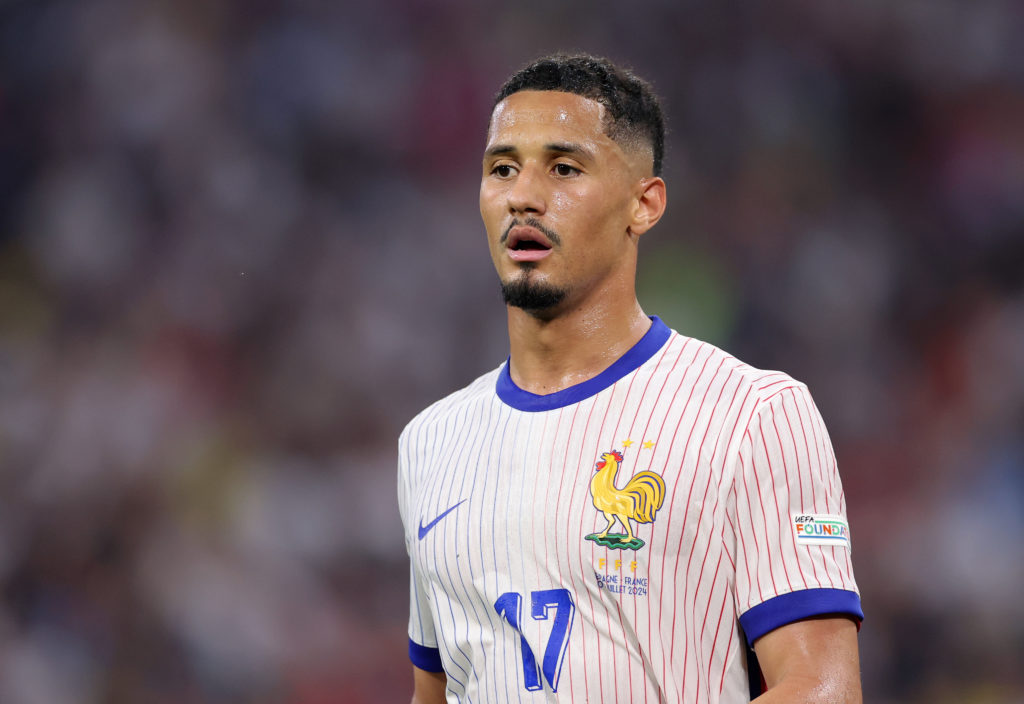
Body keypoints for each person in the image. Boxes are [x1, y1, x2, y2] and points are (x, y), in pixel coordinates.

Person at [397, 54, 863, 704]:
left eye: (563, 168)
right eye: (502, 168)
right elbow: (436, 691)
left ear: (644, 205)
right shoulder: (429, 443)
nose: (523, 195)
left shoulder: (755, 414)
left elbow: (823, 688)